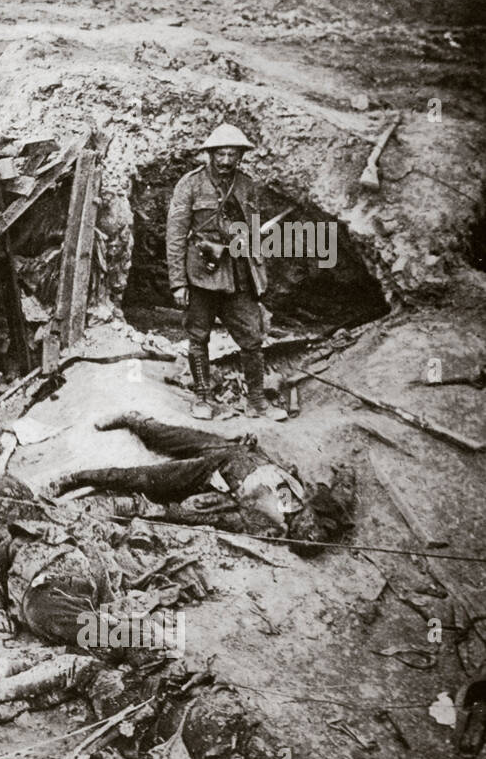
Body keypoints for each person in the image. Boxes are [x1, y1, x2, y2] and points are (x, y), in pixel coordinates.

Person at [45, 411, 355, 549]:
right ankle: (132, 418)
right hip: (234, 449)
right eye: (306, 516)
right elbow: (342, 493)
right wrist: (346, 474)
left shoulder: (263, 520)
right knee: (164, 435)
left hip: (210, 473)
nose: (298, 512)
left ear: (291, 531)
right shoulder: (319, 501)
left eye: (298, 524)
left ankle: (74, 478)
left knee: (142, 478)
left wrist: (175, 512)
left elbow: (215, 517)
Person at [167, 123, 287, 422]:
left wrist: (256, 262)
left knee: (252, 339)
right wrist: (178, 283)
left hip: (237, 274)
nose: (225, 160)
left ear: (240, 157)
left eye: (232, 154)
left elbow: (256, 233)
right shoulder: (190, 184)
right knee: (198, 337)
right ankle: (203, 397)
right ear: (209, 154)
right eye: (220, 153)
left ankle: (257, 400)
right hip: (201, 275)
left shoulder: (246, 185)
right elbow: (175, 235)